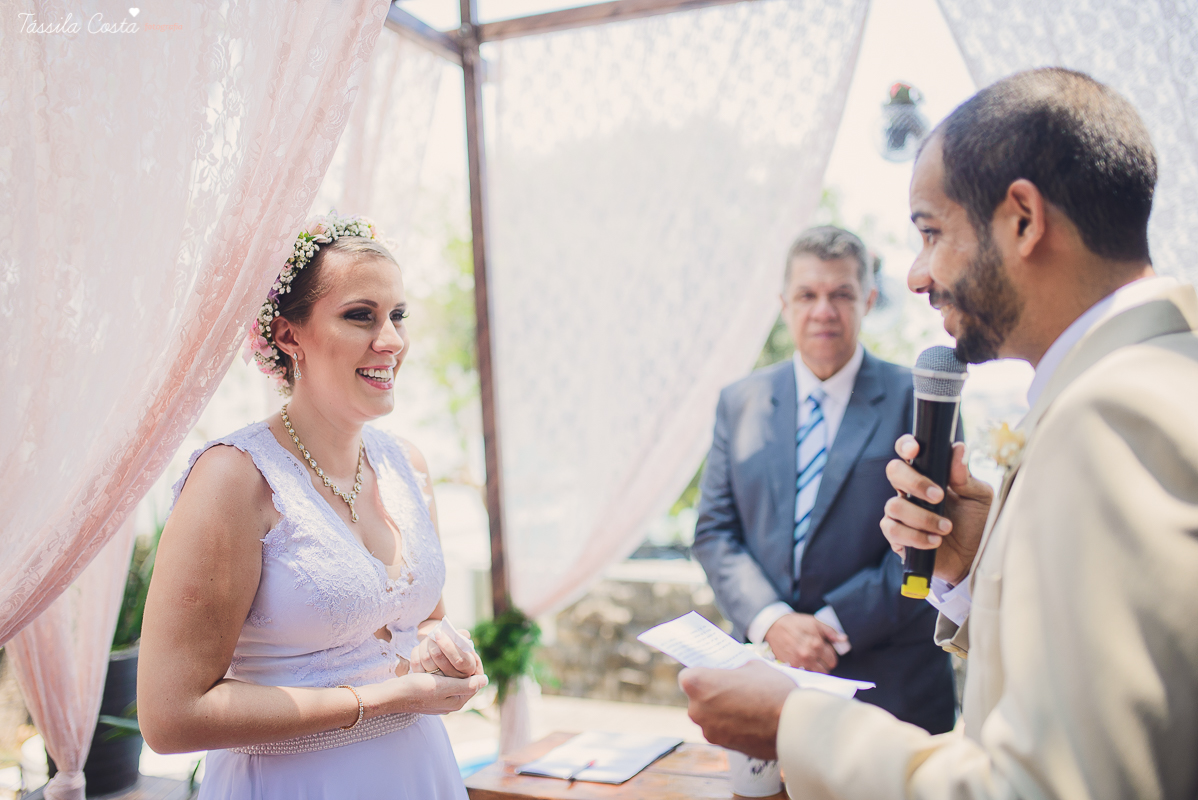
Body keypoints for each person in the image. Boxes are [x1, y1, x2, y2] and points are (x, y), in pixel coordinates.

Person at [679, 67, 1198, 799]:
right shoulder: (1160, 374)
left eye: (931, 232)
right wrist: (980, 558)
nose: (919, 277)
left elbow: (1051, 787)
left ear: (1022, 218)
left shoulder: (1117, 417)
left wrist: (796, 719)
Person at [138, 214, 488, 799]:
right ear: (288, 336)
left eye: (397, 315)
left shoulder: (407, 465)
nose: (392, 341)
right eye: (360, 315)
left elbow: (424, 616)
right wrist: (381, 700)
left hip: (418, 775)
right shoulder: (235, 478)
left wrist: (445, 649)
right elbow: (170, 718)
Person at [692, 226, 956, 734]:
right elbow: (715, 533)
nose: (823, 311)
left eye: (841, 294)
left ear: (869, 300)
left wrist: (829, 630)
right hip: (765, 680)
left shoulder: (918, 400)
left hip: (889, 695)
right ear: (783, 303)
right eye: (807, 295)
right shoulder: (739, 401)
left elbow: (928, 542)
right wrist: (773, 622)